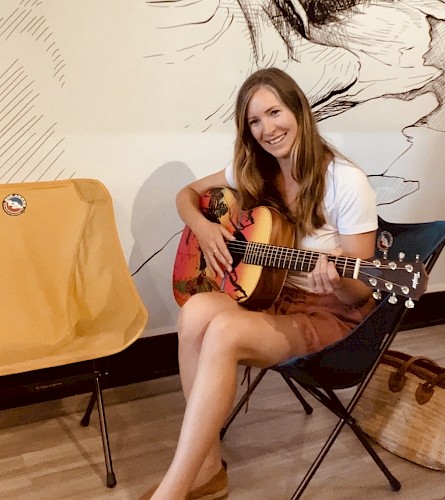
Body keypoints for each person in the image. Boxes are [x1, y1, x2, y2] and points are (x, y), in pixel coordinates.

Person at [140, 67, 378, 499]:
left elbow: (361, 291)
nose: (268, 128)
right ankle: (208, 468)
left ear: (299, 110)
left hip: (329, 315)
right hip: (271, 297)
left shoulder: (345, 180)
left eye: (274, 112)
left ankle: (171, 493)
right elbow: (185, 195)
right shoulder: (258, 169)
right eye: (255, 121)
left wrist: (337, 280)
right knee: (195, 310)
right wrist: (204, 227)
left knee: (226, 331)